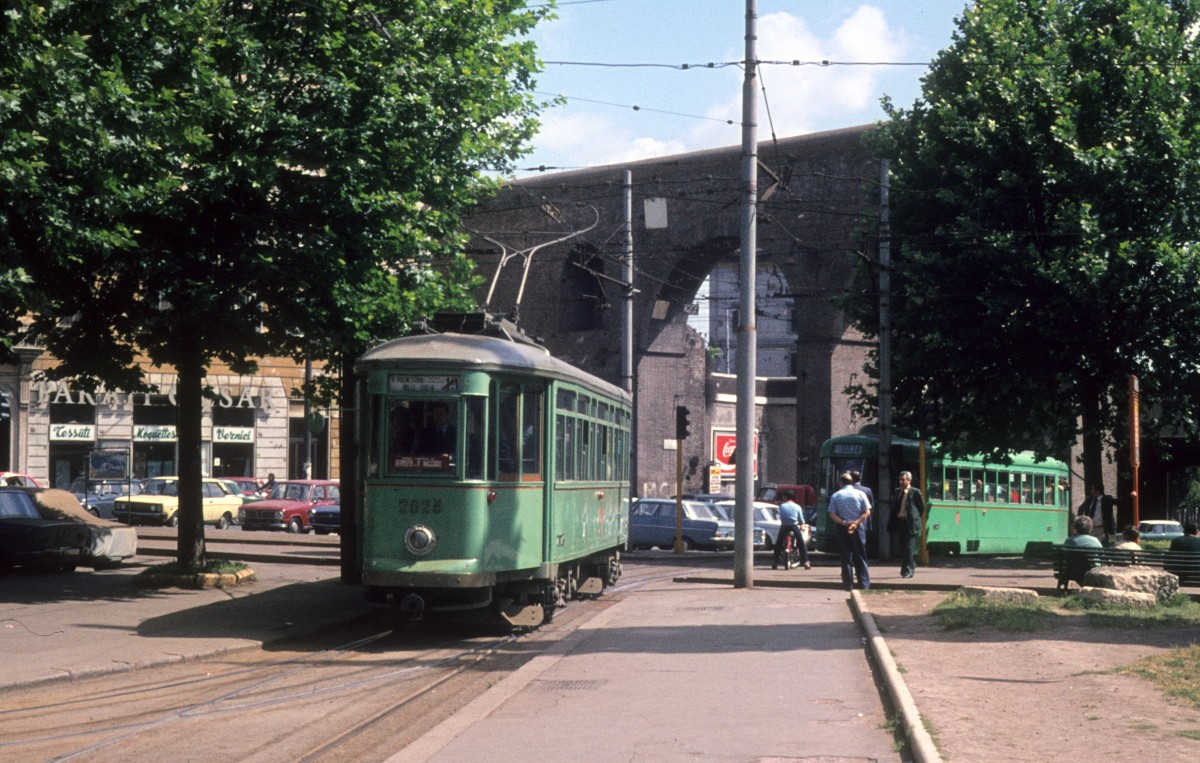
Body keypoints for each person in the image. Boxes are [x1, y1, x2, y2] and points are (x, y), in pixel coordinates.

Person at [828, 472, 872, 591]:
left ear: (841, 482)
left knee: (845, 556)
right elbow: (867, 512)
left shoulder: (836, 495)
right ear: (852, 482)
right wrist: (856, 523)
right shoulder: (860, 494)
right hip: (858, 528)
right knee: (861, 556)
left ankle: (848, 585)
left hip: (842, 529)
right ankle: (864, 585)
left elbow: (832, 514)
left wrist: (844, 522)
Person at [888, 471, 926, 579]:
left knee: (909, 548)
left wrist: (914, 517)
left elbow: (921, 508)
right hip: (900, 523)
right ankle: (911, 565)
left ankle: (908, 571)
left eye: (903, 480)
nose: (900, 482)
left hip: (911, 524)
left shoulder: (915, 492)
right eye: (899, 480)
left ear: (909, 480)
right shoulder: (897, 492)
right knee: (902, 548)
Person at [772, 491, 811, 570]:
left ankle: (775, 563)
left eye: (784, 497)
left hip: (784, 526)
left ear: (786, 498)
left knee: (778, 543)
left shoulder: (781, 506)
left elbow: (780, 516)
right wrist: (801, 523)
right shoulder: (797, 507)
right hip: (793, 526)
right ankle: (806, 563)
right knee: (801, 543)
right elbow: (802, 520)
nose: (783, 498)